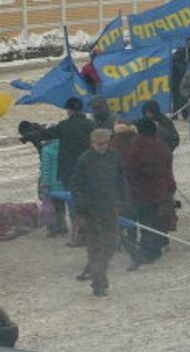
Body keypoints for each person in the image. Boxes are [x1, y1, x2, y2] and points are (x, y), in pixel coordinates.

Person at [26, 97, 95, 243]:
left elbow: (45, 134)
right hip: (89, 170)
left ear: (69, 110)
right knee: (87, 203)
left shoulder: (63, 126)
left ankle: (78, 236)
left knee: (73, 205)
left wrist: (28, 136)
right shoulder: (91, 125)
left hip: (70, 171)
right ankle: (89, 233)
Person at [70, 128, 125, 296]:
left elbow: (121, 180)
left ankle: (98, 272)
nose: (102, 147)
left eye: (105, 143)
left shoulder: (115, 157)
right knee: (95, 247)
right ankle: (98, 282)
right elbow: (76, 186)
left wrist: (122, 200)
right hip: (91, 210)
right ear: (92, 144)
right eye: (98, 144)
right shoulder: (84, 160)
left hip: (110, 207)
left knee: (112, 243)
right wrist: (81, 208)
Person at [123, 118, 176, 270]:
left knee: (146, 222)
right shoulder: (161, 144)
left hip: (144, 191)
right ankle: (158, 246)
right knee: (158, 221)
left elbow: (130, 167)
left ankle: (149, 251)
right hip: (162, 188)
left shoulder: (138, 145)